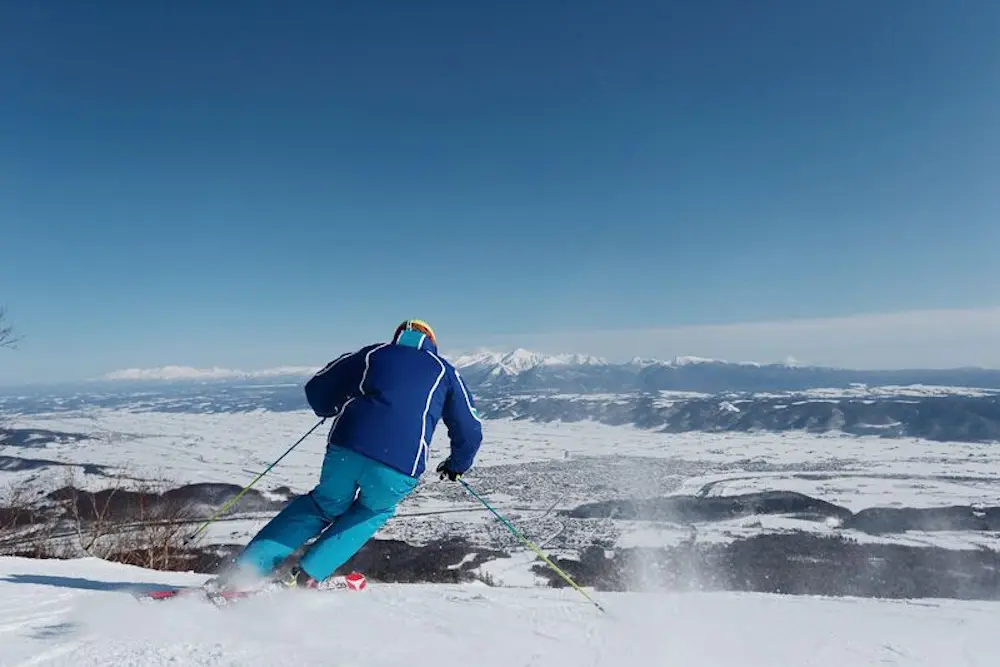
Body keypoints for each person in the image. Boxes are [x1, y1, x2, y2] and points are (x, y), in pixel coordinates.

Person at [211, 319, 484, 591]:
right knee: (372, 511)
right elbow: (470, 427)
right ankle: (306, 577)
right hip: (400, 464)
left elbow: (318, 386)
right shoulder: (445, 371)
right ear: (432, 342)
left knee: (322, 505)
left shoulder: (373, 353)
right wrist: (456, 465)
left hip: (347, 447)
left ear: (398, 336)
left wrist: (328, 406)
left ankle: (243, 572)